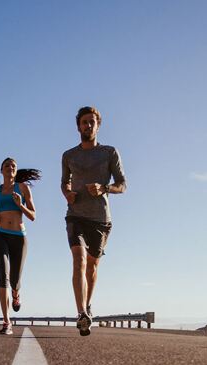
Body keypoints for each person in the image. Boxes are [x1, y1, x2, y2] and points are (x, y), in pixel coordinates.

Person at [61, 106, 126, 336]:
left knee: (92, 266)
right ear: (78, 126)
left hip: (100, 218)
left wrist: (104, 188)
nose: (88, 126)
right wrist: (67, 193)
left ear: (98, 125)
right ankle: (81, 314)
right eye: (84, 122)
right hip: (75, 214)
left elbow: (122, 185)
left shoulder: (109, 152)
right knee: (78, 259)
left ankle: (87, 305)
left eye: (92, 122)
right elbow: (64, 182)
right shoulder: (69, 155)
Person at [0, 158, 40, 335]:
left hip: (19, 237)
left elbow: (33, 216)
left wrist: (20, 205)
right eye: (7, 166)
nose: (10, 168)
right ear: (1, 170)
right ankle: (6, 321)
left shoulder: (23, 189)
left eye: (13, 166)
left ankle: (16, 293)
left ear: (16, 172)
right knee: (3, 276)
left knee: (15, 280)